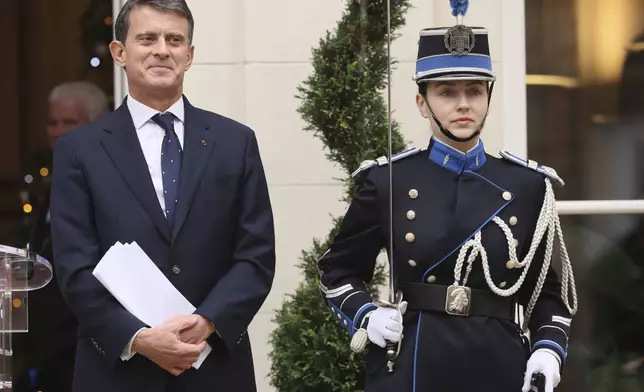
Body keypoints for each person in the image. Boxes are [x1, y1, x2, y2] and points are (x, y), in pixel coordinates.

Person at [317, 3, 578, 392]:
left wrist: (547, 349)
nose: (463, 104)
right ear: (422, 103)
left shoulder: (527, 184)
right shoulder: (388, 180)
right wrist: (366, 314)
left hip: (499, 362)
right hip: (413, 363)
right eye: (446, 92)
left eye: (475, 91)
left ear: (488, 97)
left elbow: (548, 292)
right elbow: (336, 270)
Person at [49, 1, 275, 391]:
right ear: (120, 52)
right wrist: (139, 338)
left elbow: (255, 256)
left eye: (174, 40)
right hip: (118, 371)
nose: (161, 50)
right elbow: (74, 266)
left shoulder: (235, 142)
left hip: (213, 366)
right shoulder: (78, 151)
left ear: (189, 56)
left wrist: (205, 323)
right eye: (147, 38)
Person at [14, 80, 108, 392]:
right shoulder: (49, 183)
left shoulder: (108, 184)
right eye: (52, 123)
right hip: (47, 347)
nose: (57, 131)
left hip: (87, 344)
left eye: (69, 122)